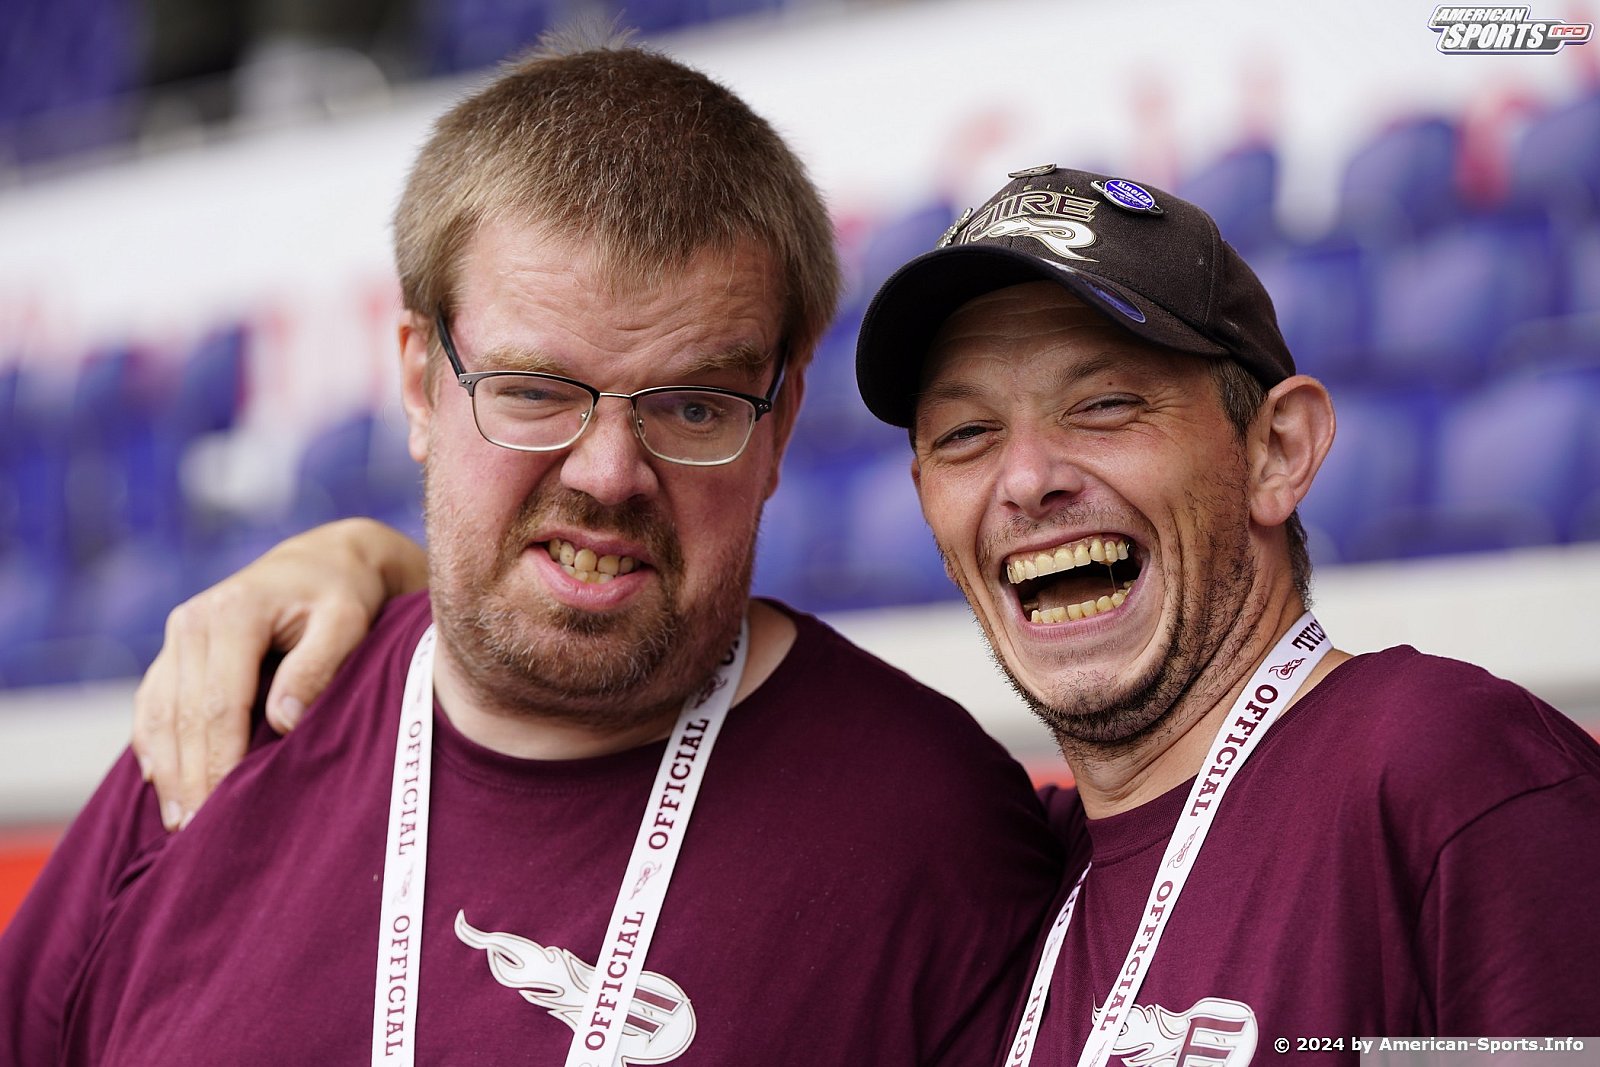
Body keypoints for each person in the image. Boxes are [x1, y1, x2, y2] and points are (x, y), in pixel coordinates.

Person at [127, 163, 1600, 1059]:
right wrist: (374, 560)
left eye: (1105, 406)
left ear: (1278, 448)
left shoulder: (1441, 767)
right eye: (964, 433)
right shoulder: (1029, 880)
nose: (1027, 477)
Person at [0, 44, 1067, 1066]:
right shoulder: (219, 732)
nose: (608, 473)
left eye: (692, 405)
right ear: (420, 384)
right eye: (534, 392)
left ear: (780, 423)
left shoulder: (940, 833)